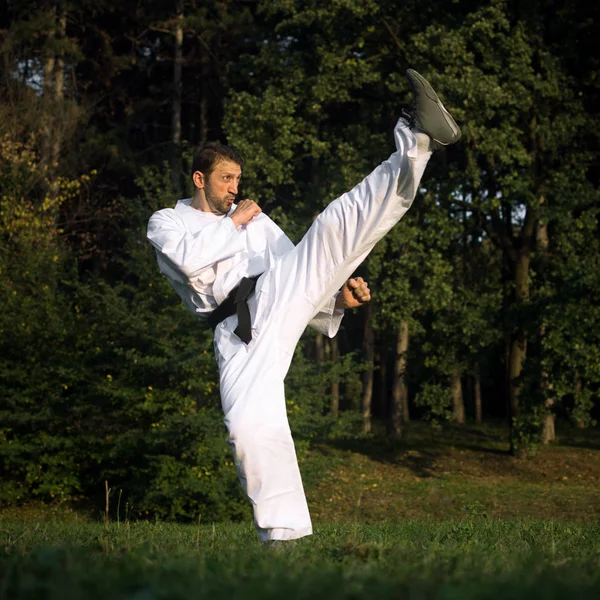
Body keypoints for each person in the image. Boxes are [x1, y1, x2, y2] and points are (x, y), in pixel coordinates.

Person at [147, 69, 461, 544]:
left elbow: (295, 267)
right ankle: (285, 534)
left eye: (238, 179)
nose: (235, 189)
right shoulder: (167, 222)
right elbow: (189, 265)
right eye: (226, 178)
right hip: (236, 329)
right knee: (248, 427)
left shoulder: (251, 219)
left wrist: (335, 298)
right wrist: (235, 225)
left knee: (334, 228)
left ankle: (416, 137)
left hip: (277, 291)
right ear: (199, 178)